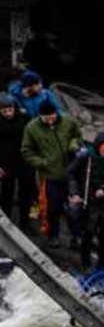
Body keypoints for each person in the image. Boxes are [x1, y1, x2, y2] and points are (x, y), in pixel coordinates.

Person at [19, 99, 82, 247]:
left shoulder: (68, 122)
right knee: (53, 208)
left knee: (74, 208)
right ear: (40, 116)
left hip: (71, 174)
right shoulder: (32, 128)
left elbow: (78, 136)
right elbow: (26, 150)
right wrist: (41, 163)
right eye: (46, 117)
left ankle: (76, 237)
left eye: (52, 116)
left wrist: (74, 144)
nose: (50, 120)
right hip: (50, 176)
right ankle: (53, 235)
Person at [67, 132, 104, 270]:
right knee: (87, 233)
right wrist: (74, 192)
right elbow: (71, 173)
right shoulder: (85, 157)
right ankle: (85, 262)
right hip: (87, 201)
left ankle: (103, 263)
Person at [0, 95, 34, 229]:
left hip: (24, 160)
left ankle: (25, 222)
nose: (8, 113)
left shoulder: (24, 118)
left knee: (26, 193)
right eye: (4, 111)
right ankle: (5, 221)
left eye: (10, 110)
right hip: (5, 163)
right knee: (6, 193)